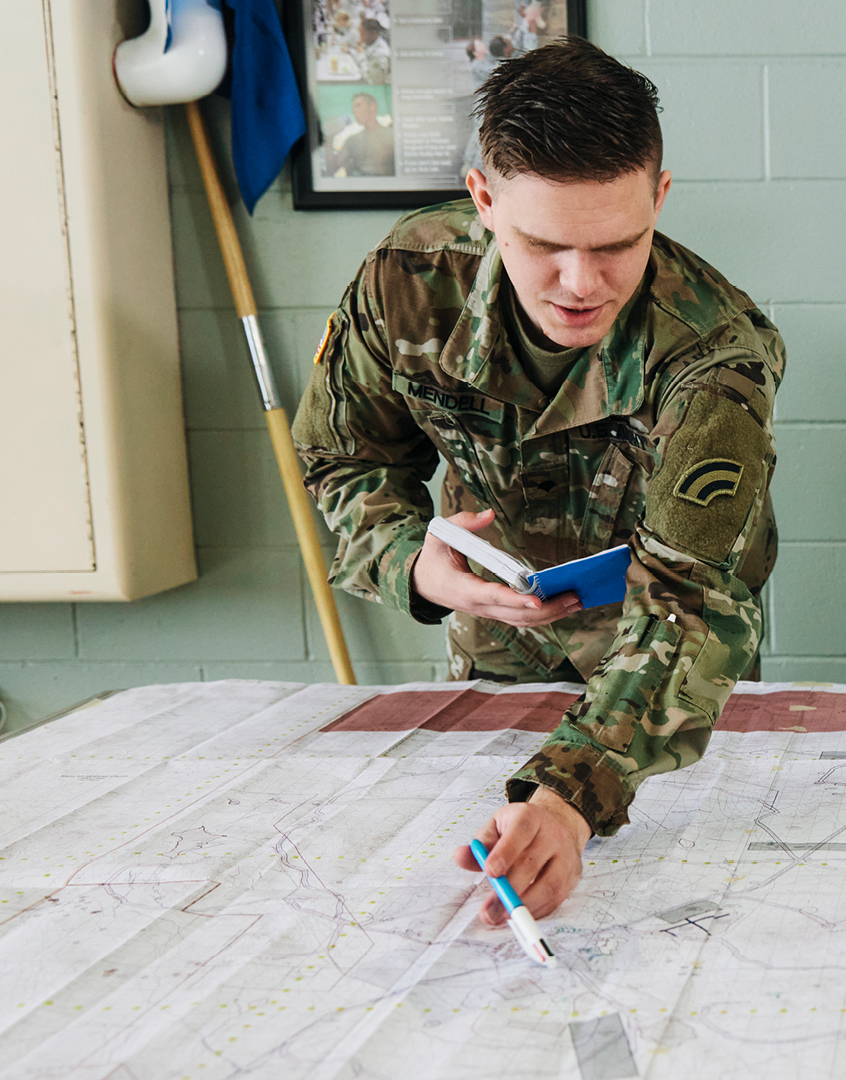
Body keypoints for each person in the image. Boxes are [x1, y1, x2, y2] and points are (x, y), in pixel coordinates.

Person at [292, 38, 782, 924]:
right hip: (491, 651)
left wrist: (567, 795)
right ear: (483, 199)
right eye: (544, 245)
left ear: (659, 199)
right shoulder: (409, 283)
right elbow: (343, 457)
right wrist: (414, 564)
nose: (581, 284)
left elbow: (694, 603)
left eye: (617, 246)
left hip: (663, 673)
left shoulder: (713, 358)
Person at [337, 92, 393, 177]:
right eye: (353, 108)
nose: (355, 111)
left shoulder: (392, 136)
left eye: (358, 105)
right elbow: (341, 164)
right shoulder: (352, 141)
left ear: (372, 107)